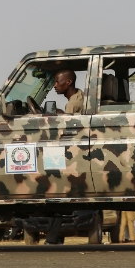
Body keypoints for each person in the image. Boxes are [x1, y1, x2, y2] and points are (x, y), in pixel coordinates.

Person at [44, 69, 85, 245]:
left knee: (53, 188)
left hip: (73, 154)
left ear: (68, 82)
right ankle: (53, 238)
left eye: (57, 82)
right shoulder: (78, 98)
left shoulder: (73, 105)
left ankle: (52, 239)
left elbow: (70, 130)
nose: (55, 85)